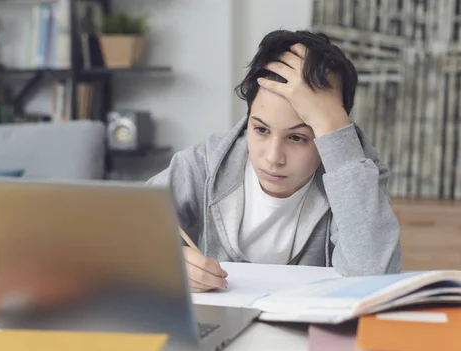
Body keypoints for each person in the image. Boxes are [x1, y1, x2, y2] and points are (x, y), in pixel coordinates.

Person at [147, 30, 402, 293]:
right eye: (261, 130)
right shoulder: (205, 164)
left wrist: (335, 131)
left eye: (298, 137)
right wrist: (165, 262)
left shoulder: (356, 172)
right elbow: (117, 234)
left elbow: (373, 279)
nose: (273, 158)